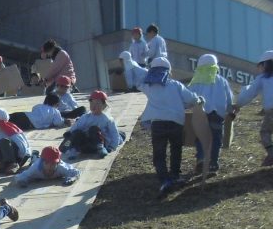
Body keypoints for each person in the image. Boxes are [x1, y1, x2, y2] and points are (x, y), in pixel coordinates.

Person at [122, 53, 201, 197]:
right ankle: (176, 175)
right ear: (169, 71)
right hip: (176, 122)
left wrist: (130, 63)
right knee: (176, 150)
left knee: (159, 153)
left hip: (157, 124)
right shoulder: (175, 85)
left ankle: (164, 180)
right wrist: (198, 100)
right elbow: (191, 98)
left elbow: (138, 76)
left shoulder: (149, 86)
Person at [188, 54, 234, 175]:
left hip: (201, 115)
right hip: (217, 116)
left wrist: (185, 107)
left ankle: (201, 158)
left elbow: (189, 97)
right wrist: (230, 110)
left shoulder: (196, 80)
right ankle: (213, 163)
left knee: (201, 137)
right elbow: (229, 99)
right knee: (216, 140)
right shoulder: (222, 81)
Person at [61, 90, 125, 159]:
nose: (94, 106)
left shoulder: (107, 119)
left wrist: (112, 147)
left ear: (104, 105)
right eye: (92, 103)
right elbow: (76, 126)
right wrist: (70, 133)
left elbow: (114, 133)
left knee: (94, 129)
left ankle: (100, 148)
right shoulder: (85, 117)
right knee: (77, 132)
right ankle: (73, 149)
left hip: (99, 143)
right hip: (86, 144)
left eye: (97, 103)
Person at [0, 107, 31, 174]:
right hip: (6, 158)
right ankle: (1, 163)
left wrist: (19, 162)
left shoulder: (13, 132)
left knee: (4, 142)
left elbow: (23, 149)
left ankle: (13, 164)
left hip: (18, 158)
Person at [14, 145, 79, 187]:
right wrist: (22, 181)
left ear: (58, 163)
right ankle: (34, 156)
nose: (50, 166)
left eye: (53, 163)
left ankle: (35, 156)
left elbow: (75, 172)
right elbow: (20, 177)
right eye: (47, 163)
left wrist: (72, 179)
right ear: (42, 162)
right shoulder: (35, 168)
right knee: (34, 162)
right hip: (37, 162)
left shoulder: (60, 167)